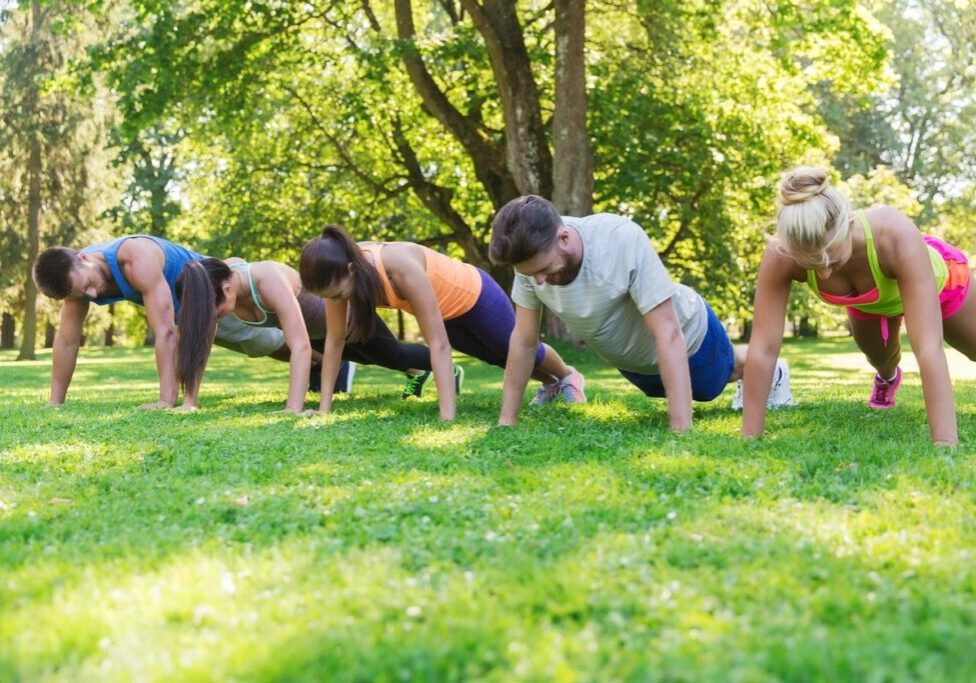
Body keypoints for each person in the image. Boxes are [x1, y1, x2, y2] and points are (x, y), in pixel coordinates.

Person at [488, 195, 793, 430]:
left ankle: (772, 369)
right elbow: (524, 342)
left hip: (689, 338)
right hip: (638, 364)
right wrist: (507, 420)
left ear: (563, 239)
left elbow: (668, 333)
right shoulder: (532, 260)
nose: (537, 281)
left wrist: (680, 430)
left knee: (717, 380)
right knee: (672, 388)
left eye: (542, 270)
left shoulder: (619, 239)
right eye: (530, 275)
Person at [741, 167, 973, 446]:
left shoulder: (894, 235)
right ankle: (887, 379)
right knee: (881, 358)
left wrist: (945, 444)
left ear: (849, 226)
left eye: (833, 262)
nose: (824, 275)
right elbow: (764, 348)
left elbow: (928, 347)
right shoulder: (784, 253)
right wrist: (749, 439)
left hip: (942, 286)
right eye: (813, 265)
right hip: (870, 303)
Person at [298, 225, 585, 421]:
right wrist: (324, 409)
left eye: (338, 294)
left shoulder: (398, 268)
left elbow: (438, 345)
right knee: (498, 359)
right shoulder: (338, 278)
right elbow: (335, 342)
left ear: (350, 270)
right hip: (447, 313)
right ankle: (550, 384)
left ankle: (568, 376)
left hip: (474, 295)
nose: (337, 301)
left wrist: (446, 417)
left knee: (515, 350)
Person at [31, 234, 326, 409]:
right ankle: (326, 363)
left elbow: (165, 333)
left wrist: (166, 400)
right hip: (186, 309)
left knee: (269, 340)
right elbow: (67, 342)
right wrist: (55, 403)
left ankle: (332, 356)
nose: (93, 295)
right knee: (263, 346)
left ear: (83, 258)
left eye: (89, 286)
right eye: (84, 294)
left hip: (211, 296)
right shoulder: (76, 285)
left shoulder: (135, 257)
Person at [175, 257, 436, 411]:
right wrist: (190, 402)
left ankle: (442, 362)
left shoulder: (266, 280)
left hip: (345, 317)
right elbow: (201, 344)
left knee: (393, 356)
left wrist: (293, 409)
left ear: (229, 288)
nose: (214, 317)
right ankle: (418, 371)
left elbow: (299, 346)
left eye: (215, 311)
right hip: (320, 334)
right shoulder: (215, 288)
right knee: (367, 359)